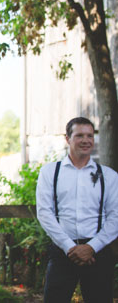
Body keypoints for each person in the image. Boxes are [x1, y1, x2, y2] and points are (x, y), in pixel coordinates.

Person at [36, 117, 118, 302]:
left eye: (90, 135)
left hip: (98, 252)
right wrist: (70, 247)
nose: (86, 140)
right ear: (68, 139)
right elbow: (44, 213)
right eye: (79, 135)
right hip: (62, 250)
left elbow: (115, 217)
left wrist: (91, 247)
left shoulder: (109, 176)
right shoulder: (50, 172)